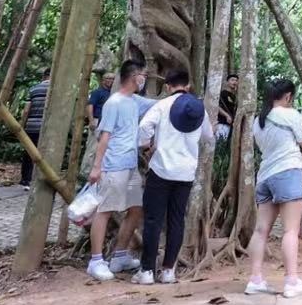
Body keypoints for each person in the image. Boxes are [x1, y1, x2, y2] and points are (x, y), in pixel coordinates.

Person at [133, 67, 210, 285]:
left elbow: (144, 126)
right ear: (188, 86)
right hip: (185, 173)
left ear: (167, 87)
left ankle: (147, 271)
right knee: (177, 220)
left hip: (161, 170)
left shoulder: (162, 105)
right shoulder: (199, 108)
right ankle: (168, 271)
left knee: (153, 219)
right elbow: (209, 137)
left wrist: (146, 147)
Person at [245, 78, 302, 297]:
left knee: (260, 229)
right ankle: (291, 281)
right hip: (288, 172)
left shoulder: (258, 121)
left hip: (265, 176)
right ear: (288, 97)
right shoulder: (291, 115)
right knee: (290, 230)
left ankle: (255, 279)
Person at [86, 60, 148, 281]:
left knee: (136, 209)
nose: (145, 79)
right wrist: (97, 167)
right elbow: (104, 137)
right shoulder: (114, 103)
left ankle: (120, 255)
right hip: (112, 166)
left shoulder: (135, 101)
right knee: (105, 210)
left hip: (131, 166)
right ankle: (95, 261)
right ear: (134, 77)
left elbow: (159, 104)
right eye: (143, 75)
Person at [18, 68, 50, 189]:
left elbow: (26, 110)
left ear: (43, 77)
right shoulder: (56, 91)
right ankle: (42, 179)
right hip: (47, 128)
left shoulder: (33, 89)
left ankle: (26, 180)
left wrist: (21, 125)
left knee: (29, 153)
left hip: (31, 126)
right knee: (44, 154)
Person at [217, 72, 239, 145]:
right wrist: (226, 115)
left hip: (231, 125)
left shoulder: (235, 96)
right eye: (232, 80)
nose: (234, 82)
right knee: (220, 143)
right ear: (227, 82)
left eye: (236, 80)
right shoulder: (223, 93)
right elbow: (217, 107)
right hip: (222, 123)